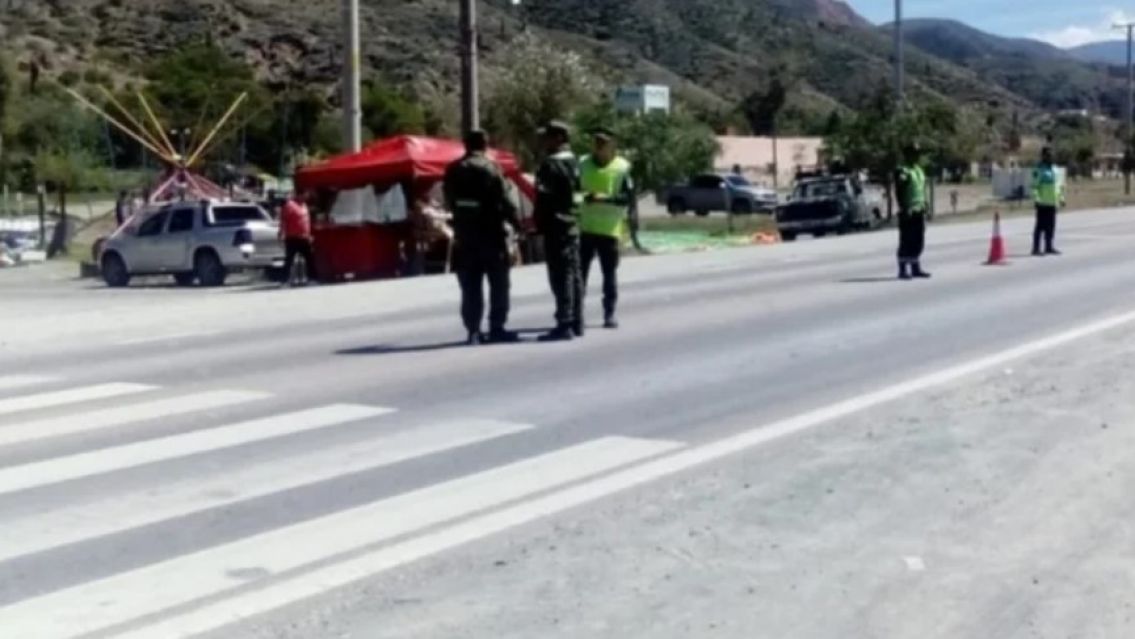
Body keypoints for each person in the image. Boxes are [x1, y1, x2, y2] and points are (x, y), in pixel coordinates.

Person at [443, 129, 522, 345]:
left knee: (470, 286)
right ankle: (497, 327)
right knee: (499, 283)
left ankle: (473, 330)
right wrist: (517, 224)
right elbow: (506, 201)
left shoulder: (453, 169)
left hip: (465, 236)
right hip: (491, 235)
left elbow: (448, 200)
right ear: (485, 145)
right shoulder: (491, 169)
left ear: (465, 145)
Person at [579, 127, 636, 329]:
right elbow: (572, 192)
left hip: (609, 230)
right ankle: (577, 314)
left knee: (609, 275)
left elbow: (627, 198)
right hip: (585, 228)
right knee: (580, 275)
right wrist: (585, 197)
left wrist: (605, 199)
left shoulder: (622, 168)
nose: (599, 146)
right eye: (597, 142)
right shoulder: (582, 164)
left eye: (604, 143)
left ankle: (609, 314)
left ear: (613, 145)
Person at [534, 121, 584, 342]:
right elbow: (579, 195)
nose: (544, 142)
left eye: (547, 137)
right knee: (574, 273)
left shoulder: (550, 165)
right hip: (572, 223)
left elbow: (543, 199)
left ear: (559, 138)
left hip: (556, 225)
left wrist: (539, 222)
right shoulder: (575, 163)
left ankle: (565, 322)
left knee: (561, 275)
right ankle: (577, 321)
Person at [894, 142, 931, 280]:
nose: (917, 156)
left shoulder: (918, 170)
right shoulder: (902, 170)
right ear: (907, 155)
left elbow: (921, 189)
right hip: (908, 209)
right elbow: (899, 190)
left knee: (918, 240)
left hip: (919, 208)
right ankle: (903, 269)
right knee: (906, 240)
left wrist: (925, 204)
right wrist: (903, 207)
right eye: (914, 153)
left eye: (918, 154)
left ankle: (915, 268)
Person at [1032, 146, 1065, 256]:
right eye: (1047, 155)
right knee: (1040, 226)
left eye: (1051, 155)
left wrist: (1061, 198)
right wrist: (1036, 198)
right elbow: (1034, 186)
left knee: (1051, 226)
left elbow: (1059, 186)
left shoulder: (1055, 169)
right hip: (1042, 202)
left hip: (1052, 202)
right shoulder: (1039, 169)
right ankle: (1036, 248)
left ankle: (1049, 247)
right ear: (1043, 156)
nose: (1050, 157)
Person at [280, 191, 315, 286]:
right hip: (292, 237)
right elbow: (284, 220)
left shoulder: (304, 205)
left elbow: (307, 221)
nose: (306, 197)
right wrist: (282, 233)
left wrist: (309, 234)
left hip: (304, 237)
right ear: (299, 195)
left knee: (309, 258)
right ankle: (284, 280)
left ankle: (312, 278)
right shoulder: (289, 205)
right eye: (304, 195)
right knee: (289, 260)